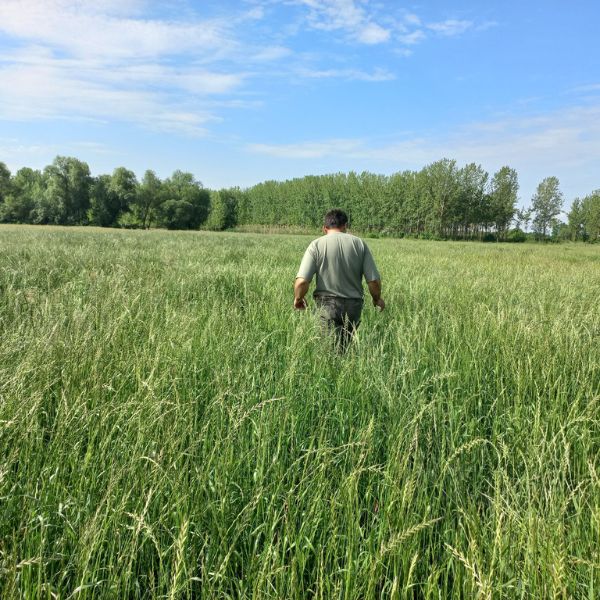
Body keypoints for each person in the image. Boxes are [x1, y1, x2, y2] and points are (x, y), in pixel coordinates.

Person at [293, 209, 385, 350]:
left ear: (324, 228)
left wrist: (298, 299)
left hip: (327, 306)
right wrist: (377, 299)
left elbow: (302, 281)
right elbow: (373, 281)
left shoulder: (316, 245)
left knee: (329, 353)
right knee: (346, 349)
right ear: (345, 226)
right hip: (354, 306)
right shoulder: (359, 244)